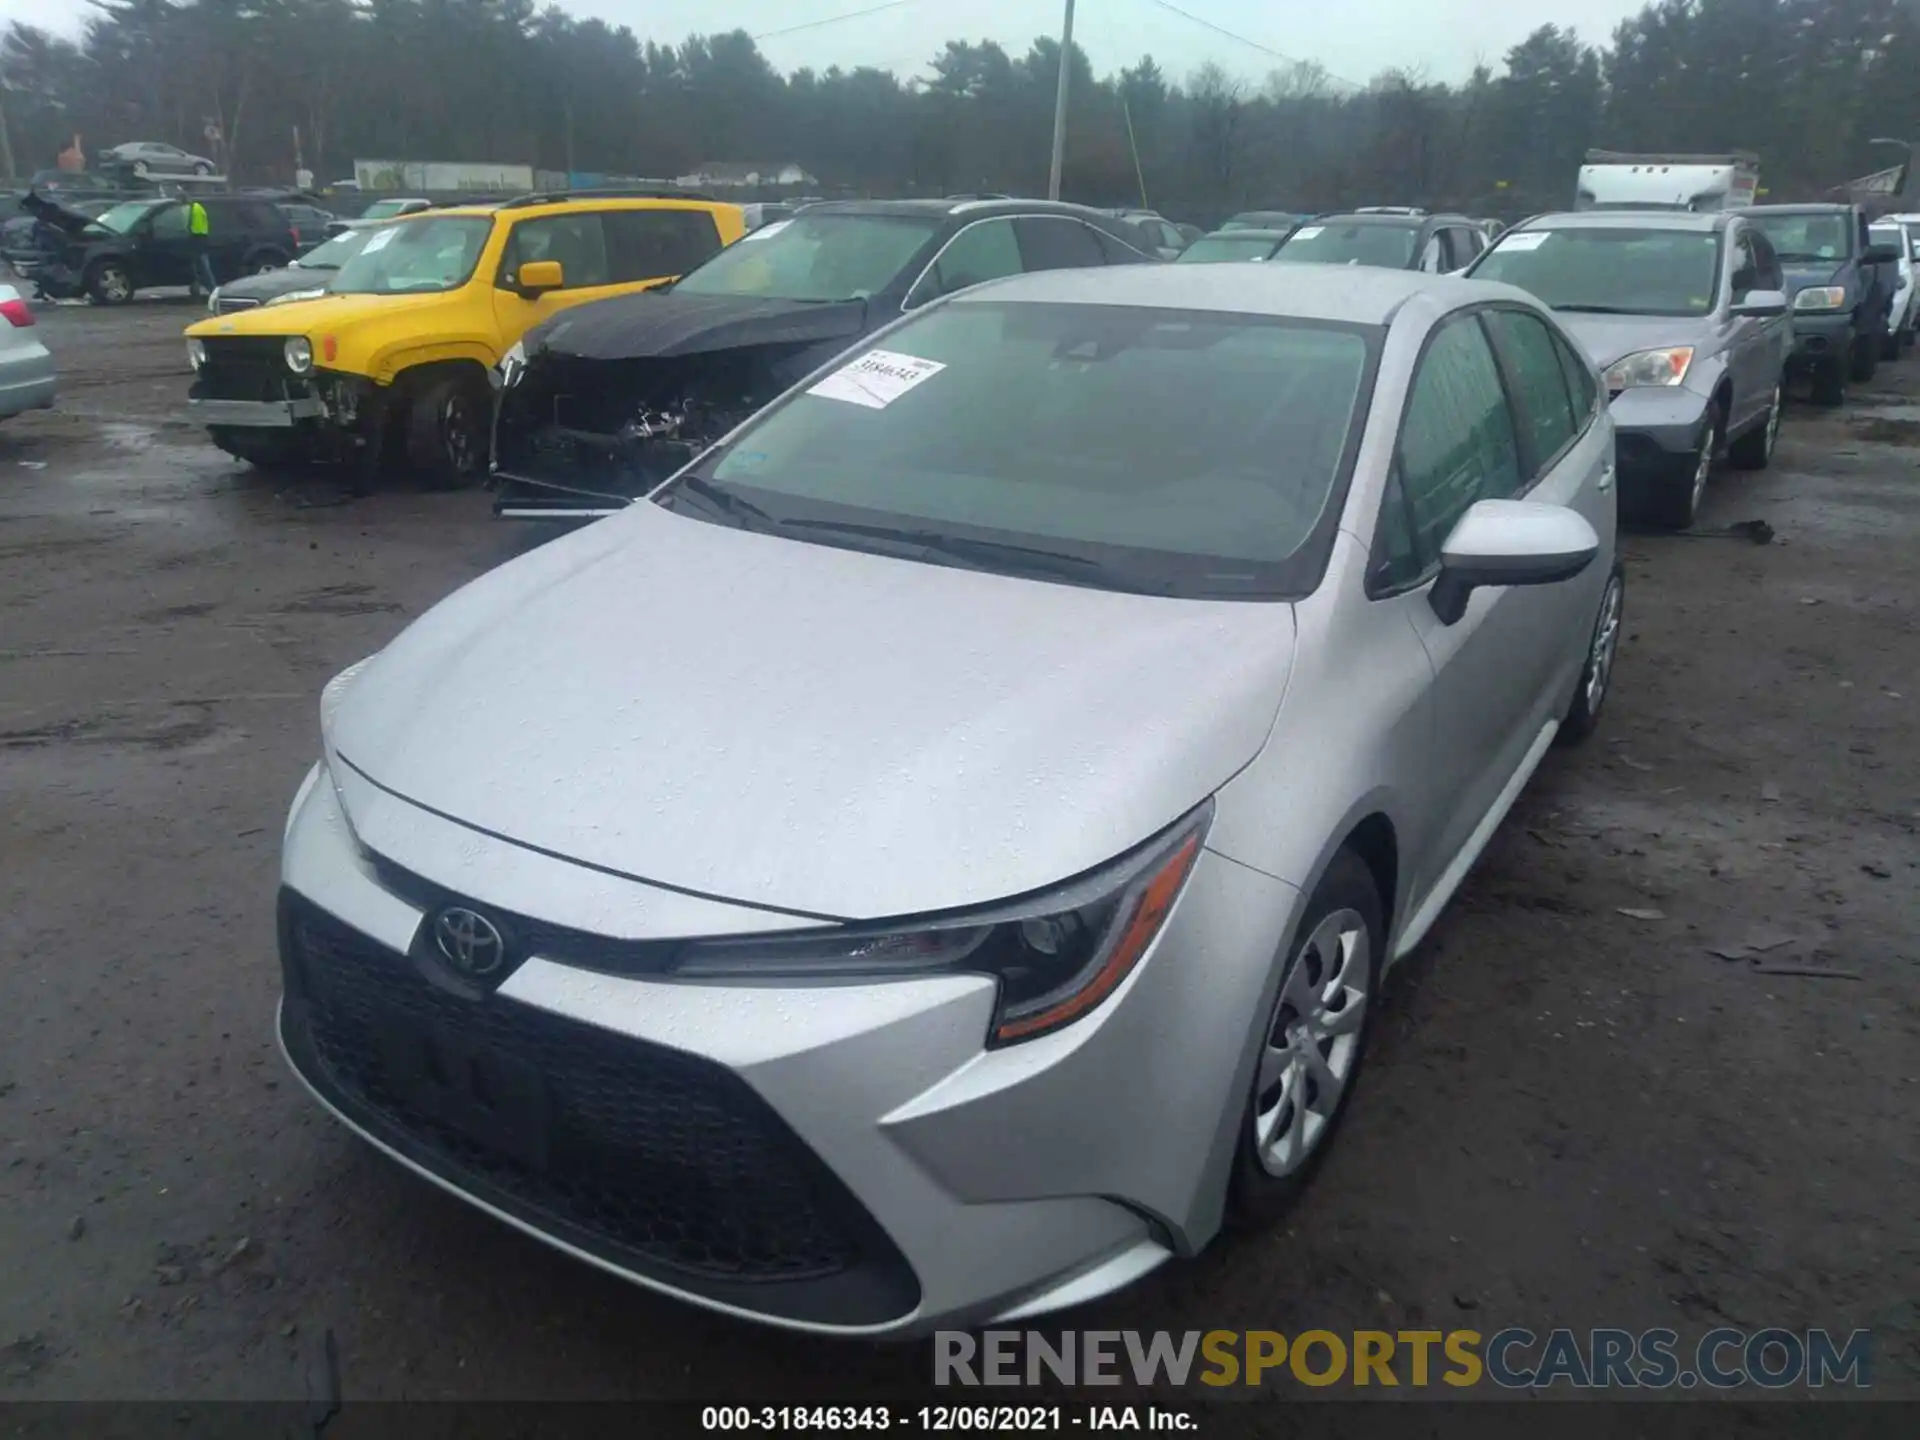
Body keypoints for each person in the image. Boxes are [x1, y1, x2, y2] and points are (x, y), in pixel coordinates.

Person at [187, 197, 216, 298]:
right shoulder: (196, 208)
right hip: (200, 241)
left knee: (203, 268)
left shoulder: (195, 209)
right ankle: (202, 288)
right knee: (201, 268)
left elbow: (197, 229)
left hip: (198, 241)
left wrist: (189, 233)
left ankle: (212, 290)